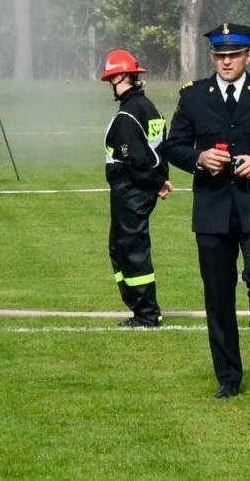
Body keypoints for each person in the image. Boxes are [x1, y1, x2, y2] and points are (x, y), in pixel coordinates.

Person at [165, 23, 250, 398]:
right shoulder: (193, 96)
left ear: (248, 56)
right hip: (213, 210)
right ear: (212, 57)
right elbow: (173, 146)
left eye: (234, 55)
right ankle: (228, 376)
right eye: (220, 56)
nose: (226, 62)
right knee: (218, 294)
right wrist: (199, 158)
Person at [101, 48, 172, 328]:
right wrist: (160, 180)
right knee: (123, 247)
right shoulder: (149, 108)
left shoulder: (127, 116)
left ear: (121, 77)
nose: (110, 84)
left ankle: (146, 313)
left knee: (130, 250)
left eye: (111, 79)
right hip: (141, 190)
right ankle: (141, 309)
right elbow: (160, 148)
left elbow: (134, 158)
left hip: (130, 191)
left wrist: (156, 182)